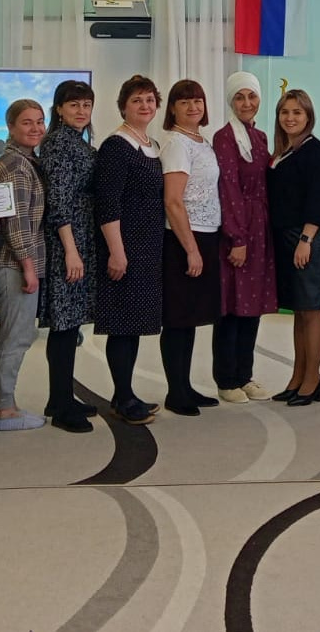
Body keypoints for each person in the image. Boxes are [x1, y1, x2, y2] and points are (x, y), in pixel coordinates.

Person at [95, 76, 167, 424]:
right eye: (137, 100)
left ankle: (124, 392)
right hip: (126, 247)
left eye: (150, 100)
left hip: (148, 248)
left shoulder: (151, 144)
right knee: (123, 324)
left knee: (134, 323)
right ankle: (123, 398)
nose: (145, 105)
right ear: (123, 106)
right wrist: (117, 251)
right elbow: (107, 203)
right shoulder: (116, 146)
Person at [159, 80, 224, 416]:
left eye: (197, 100)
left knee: (190, 318)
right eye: (184, 102)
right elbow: (173, 201)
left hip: (206, 234)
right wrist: (191, 249)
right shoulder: (176, 144)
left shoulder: (201, 141)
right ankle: (176, 391)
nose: (192, 106)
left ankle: (185, 386)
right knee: (178, 318)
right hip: (184, 238)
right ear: (173, 108)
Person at [212, 72, 278, 403]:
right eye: (240, 97)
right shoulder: (225, 138)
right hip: (238, 229)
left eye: (252, 96)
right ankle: (226, 379)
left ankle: (244, 375)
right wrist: (237, 237)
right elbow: (228, 188)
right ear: (230, 101)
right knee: (232, 307)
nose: (247, 103)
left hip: (260, 230)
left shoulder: (260, 136)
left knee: (252, 306)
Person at [39, 80, 99, 432]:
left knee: (71, 322)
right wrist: (71, 251)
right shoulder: (59, 143)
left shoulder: (77, 141)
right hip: (68, 243)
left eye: (86, 104)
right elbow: (58, 201)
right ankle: (61, 406)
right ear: (59, 109)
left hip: (80, 239)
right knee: (63, 324)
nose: (81, 110)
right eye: (74, 104)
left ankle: (60, 396)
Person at [0, 99, 50, 431]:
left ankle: (6, 404)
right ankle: (5, 409)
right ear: (10, 127)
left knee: (18, 334)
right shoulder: (15, 165)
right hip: (12, 264)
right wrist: (28, 266)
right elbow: (17, 221)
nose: (36, 128)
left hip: (16, 261)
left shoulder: (26, 160)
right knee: (16, 336)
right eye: (27, 122)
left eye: (40, 121)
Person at [267, 89, 320, 405]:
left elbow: (319, 199)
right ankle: (298, 375)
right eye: (285, 112)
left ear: (308, 116)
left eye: (297, 112)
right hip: (284, 237)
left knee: (310, 308)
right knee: (298, 310)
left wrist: (306, 240)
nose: (290, 118)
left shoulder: (314, 151)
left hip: (305, 237)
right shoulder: (282, 153)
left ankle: (312, 379)